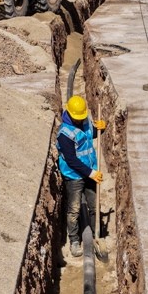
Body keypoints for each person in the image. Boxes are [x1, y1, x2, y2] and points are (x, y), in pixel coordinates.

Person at [57, 95, 106, 258]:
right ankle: (74, 240)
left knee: (93, 205)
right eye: (77, 118)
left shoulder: (84, 121)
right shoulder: (64, 134)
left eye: (81, 118)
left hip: (90, 171)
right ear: (69, 114)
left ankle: (95, 235)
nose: (80, 121)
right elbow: (71, 160)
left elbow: (88, 135)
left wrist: (101, 128)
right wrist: (91, 173)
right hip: (74, 176)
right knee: (74, 209)